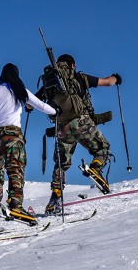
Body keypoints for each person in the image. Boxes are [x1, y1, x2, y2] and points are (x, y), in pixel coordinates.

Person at [0, 63, 56, 228]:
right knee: (16, 170)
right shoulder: (20, 90)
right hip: (12, 136)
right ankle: (15, 205)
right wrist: (56, 112)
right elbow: (42, 106)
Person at [37, 53, 122, 214]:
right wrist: (116, 78)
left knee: (61, 163)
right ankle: (96, 168)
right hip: (81, 122)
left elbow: (31, 104)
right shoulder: (80, 77)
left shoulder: (49, 84)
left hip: (61, 127)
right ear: (72, 66)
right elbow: (108, 82)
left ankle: (54, 198)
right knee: (102, 148)